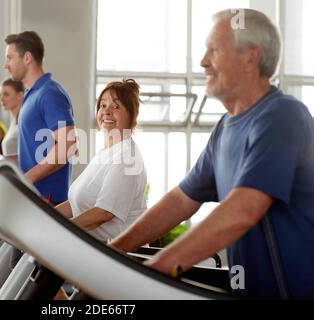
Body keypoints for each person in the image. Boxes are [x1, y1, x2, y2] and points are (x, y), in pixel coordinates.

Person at [110, 9, 314, 299]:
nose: (203, 61)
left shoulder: (282, 116)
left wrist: (159, 268)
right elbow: (182, 199)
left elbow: (244, 210)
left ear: (250, 58)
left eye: (214, 50)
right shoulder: (226, 128)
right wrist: (113, 250)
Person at [55, 79, 148, 299]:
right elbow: (75, 203)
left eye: (116, 106)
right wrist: (43, 219)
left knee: (36, 268)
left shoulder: (126, 156)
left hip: (114, 256)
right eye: (103, 105)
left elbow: (103, 212)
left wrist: (59, 231)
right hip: (93, 251)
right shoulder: (105, 153)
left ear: (132, 118)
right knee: (30, 264)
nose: (107, 111)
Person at [3, 31, 75, 205]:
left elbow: (67, 146)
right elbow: (33, 150)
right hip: (32, 197)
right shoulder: (31, 95)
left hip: (48, 200)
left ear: (27, 58)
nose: (5, 65)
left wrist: (26, 179)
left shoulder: (49, 93)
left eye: (10, 58)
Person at [0, 79, 24, 163]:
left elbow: (30, 155)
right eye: (1, 95)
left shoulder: (24, 122)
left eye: (6, 94)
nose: (1, 99)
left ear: (20, 95)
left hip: (22, 174)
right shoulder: (13, 121)